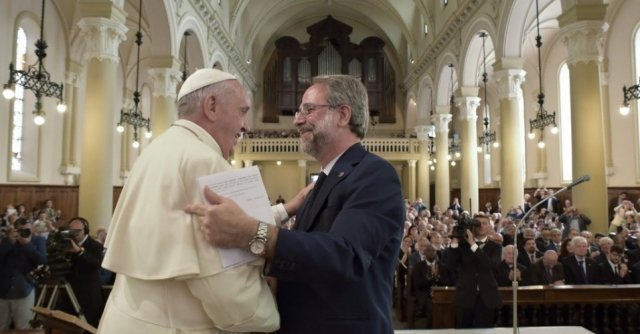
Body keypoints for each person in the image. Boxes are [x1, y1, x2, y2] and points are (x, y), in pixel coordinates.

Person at [185, 74, 405, 333]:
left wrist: (256, 233)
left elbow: (345, 255)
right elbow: (308, 260)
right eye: (299, 110)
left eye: (308, 110)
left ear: (343, 115)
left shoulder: (374, 174)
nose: (297, 120)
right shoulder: (324, 181)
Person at [98, 69, 288, 333]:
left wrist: (281, 211)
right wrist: (270, 316)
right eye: (242, 111)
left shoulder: (157, 148)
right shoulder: (205, 160)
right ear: (211, 106)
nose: (245, 125)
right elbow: (223, 284)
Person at [446, 214, 502, 328]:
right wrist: (455, 241)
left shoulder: (496, 247)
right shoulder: (462, 246)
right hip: (465, 296)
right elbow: (451, 265)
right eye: (477, 223)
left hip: (486, 297)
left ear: (490, 228)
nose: (481, 226)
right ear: (472, 227)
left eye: (484, 223)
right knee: (463, 330)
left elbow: (489, 265)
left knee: (485, 330)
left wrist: (472, 244)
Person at [0, 218, 46, 331]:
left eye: (27, 230)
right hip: (3, 290)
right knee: (1, 326)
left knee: (23, 327)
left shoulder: (38, 240)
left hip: (25, 289)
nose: (25, 232)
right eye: (21, 230)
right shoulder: (8, 240)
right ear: (15, 230)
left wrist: (27, 244)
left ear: (32, 229)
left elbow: (42, 260)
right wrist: (9, 241)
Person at [58, 217, 104, 327]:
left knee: (87, 327)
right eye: (72, 231)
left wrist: (79, 251)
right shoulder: (66, 244)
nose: (75, 234)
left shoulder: (95, 245)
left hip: (88, 297)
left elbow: (97, 264)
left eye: (78, 231)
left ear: (86, 230)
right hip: (69, 294)